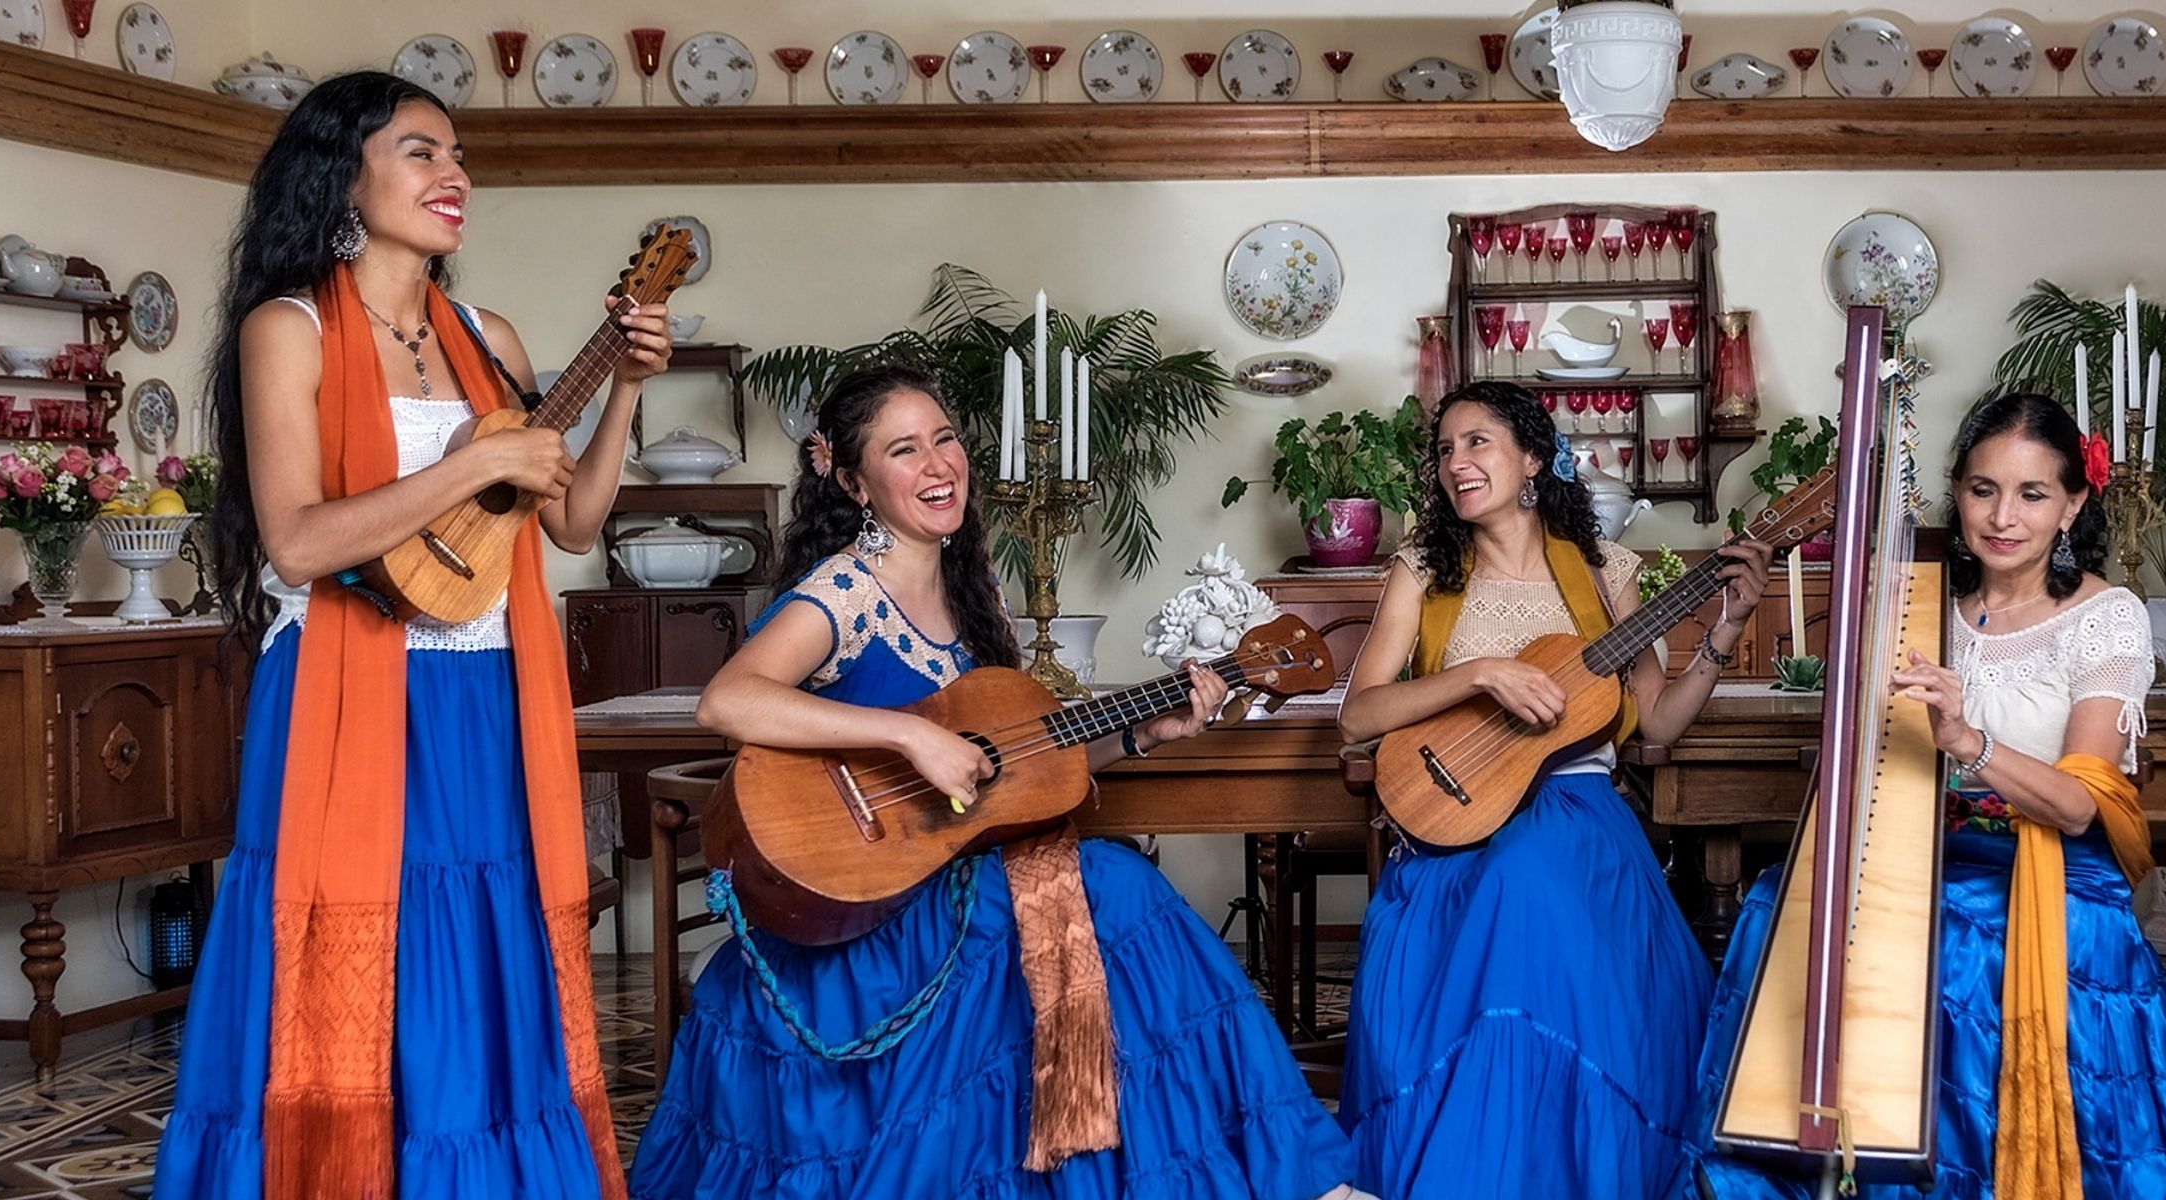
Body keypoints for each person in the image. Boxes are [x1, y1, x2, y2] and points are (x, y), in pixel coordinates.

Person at [630, 366, 1357, 1200]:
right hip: (876, 906)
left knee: (1115, 886)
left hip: (951, 877)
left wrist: (1145, 730)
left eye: (946, 439)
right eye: (905, 449)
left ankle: (1258, 1163)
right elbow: (729, 700)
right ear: (852, 479)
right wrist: (906, 735)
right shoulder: (844, 590)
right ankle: (1295, 1174)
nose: (939, 464)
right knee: (1117, 885)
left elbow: (1017, 774)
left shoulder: (975, 600)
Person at [158, 71, 670, 1197]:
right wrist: (475, 462)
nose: (456, 177)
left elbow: (576, 524)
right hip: (348, 693)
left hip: (484, 689)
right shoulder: (285, 329)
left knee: (484, 935)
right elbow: (296, 542)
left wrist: (624, 392)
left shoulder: (491, 338)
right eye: (423, 153)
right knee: (358, 934)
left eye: (458, 156)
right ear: (343, 171)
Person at [1685, 394, 2166, 1200]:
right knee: (1776, 905)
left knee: (1954, 943)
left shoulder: (2106, 619)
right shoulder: (1922, 605)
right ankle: (1811, 1160)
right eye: (1982, 490)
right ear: (1957, 493)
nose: (2003, 516)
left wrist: (1968, 742)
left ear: (2074, 503)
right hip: (1932, 852)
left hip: (2048, 866)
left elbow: (2081, 807)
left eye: (2032, 494)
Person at [1332, 381, 1768, 1199]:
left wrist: (1728, 629)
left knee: (1533, 872)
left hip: (1577, 812)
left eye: (1478, 443)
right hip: (1455, 821)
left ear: (1532, 458)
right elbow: (1358, 717)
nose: (1456, 462)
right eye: (1445, 449)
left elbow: (1659, 726)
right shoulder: (1425, 569)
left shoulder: (1604, 573)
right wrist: (1479, 674)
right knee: (1511, 875)